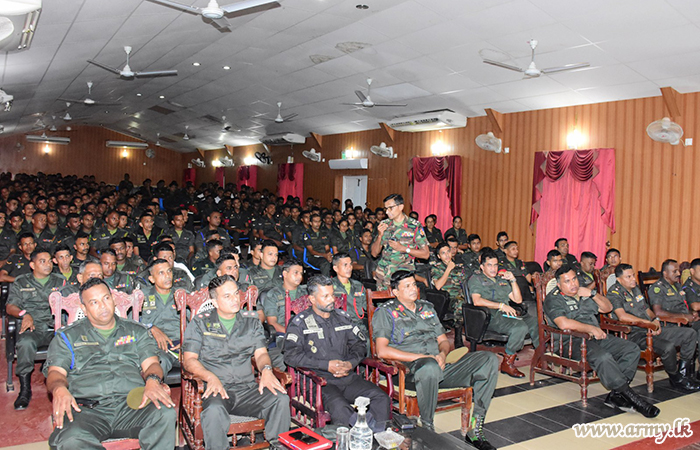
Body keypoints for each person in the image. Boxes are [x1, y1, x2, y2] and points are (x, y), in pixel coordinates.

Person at [372, 271, 498, 450]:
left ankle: (474, 429)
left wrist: (442, 355)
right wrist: (423, 358)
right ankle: (427, 430)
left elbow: (443, 341)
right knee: (429, 367)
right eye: (407, 286)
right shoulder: (386, 312)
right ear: (395, 292)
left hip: (438, 366)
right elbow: (382, 350)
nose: (413, 289)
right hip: (409, 373)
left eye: (414, 284)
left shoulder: (427, 308)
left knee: (488, 359)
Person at [45, 278, 176, 450]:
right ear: (84, 308)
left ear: (113, 299)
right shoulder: (67, 337)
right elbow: (55, 373)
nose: (103, 306)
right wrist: (59, 389)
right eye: (94, 302)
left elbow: (152, 364)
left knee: (165, 413)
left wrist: (152, 380)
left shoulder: (136, 331)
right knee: (71, 439)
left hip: (131, 405)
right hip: (87, 410)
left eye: (106, 298)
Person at [183, 275, 290, 449]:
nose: (235, 299)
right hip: (217, 390)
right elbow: (189, 360)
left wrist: (267, 370)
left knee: (281, 399)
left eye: (236, 293)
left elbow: (261, 354)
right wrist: (209, 377)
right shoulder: (200, 323)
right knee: (213, 412)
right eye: (227, 296)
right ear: (215, 302)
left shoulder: (251, 321)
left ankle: (279, 447)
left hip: (247, 389)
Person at [545, 265, 659, 418]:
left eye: (574, 279)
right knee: (603, 357)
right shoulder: (553, 299)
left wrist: (592, 294)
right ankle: (632, 397)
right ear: (559, 285)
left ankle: (617, 394)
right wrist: (591, 329)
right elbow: (563, 324)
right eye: (567, 281)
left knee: (631, 349)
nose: (573, 284)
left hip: (595, 337)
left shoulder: (583, 293)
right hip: (571, 341)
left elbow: (607, 308)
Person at [285, 275, 390, 431]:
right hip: (318, 381)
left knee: (380, 398)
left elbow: (360, 345)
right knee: (340, 407)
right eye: (325, 296)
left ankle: (379, 436)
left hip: (347, 377)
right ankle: (360, 436)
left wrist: (350, 363)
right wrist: (326, 365)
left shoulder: (343, 318)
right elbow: (290, 355)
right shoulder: (300, 323)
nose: (332, 299)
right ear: (312, 299)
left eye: (332, 295)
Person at [607, 263, 699, 391]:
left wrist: (655, 320)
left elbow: (647, 310)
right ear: (619, 279)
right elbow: (622, 317)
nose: (633, 279)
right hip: (634, 333)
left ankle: (682, 375)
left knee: (689, 334)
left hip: (650, 328)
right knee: (668, 347)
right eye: (628, 277)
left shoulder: (635, 289)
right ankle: (675, 377)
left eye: (633, 275)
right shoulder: (614, 293)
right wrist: (648, 324)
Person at [6, 248, 66, 409]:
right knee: (25, 343)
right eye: (42, 261)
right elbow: (10, 306)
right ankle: (25, 390)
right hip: (33, 327)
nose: (48, 264)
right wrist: (24, 314)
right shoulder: (21, 282)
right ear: (32, 265)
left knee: (72, 341)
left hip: (56, 327)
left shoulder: (60, 281)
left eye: (49, 261)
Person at [468, 250, 539, 378]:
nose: (493, 268)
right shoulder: (476, 279)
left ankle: (540, 358)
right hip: (489, 316)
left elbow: (518, 300)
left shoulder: (501, 280)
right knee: (520, 327)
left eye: (495, 265)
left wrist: (513, 280)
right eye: (489, 265)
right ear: (482, 266)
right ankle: (508, 362)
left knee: (535, 322)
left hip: (506, 313)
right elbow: (477, 301)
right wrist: (500, 305)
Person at [371, 194, 429, 290]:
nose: (387, 212)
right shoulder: (385, 224)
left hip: (402, 279)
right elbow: (374, 253)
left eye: (390, 208)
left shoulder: (414, 226)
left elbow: (425, 254)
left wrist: (403, 249)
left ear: (401, 207)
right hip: (383, 277)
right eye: (386, 209)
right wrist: (380, 235)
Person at [141, 259, 181, 376]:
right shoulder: (142, 296)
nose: (167, 276)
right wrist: (150, 327)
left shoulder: (182, 295)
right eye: (161, 273)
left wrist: (188, 342)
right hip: (156, 348)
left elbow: (196, 323)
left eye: (169, 271)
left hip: (181, 346)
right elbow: (129, 323)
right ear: (152, 279)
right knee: (158, 363)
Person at [430, 242, 467, 347]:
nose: (447, 255)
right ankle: (458, 338)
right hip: (446, 299)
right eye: (443, 253)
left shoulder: (459, 267)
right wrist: (448, 269)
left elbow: (465, 284)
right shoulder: (436, 268)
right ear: (439, 256)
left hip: (461, 297)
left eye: (448, 252)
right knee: (460, 304)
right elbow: (438, 286)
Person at [331, 253, 368, 339]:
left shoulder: (358, 286)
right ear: (335, 268)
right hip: (338, 327)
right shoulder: (329, 286)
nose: (349, 268)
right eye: (345, 265)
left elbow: (366, 306)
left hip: (358, 326)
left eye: (350, 264)